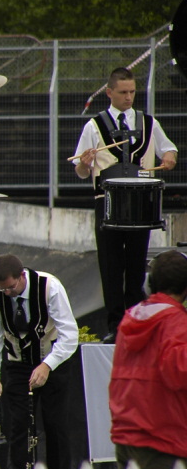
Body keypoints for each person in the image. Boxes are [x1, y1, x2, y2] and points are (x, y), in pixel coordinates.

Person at [74, 67, 177, 343]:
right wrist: (84, 164)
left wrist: (169, 157)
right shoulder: (94, 126)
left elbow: (169, 148)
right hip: (106, 204)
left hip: (140, 204)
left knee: (135, 267)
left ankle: (135, 324)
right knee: (110, 267)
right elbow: (81, 171)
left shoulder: (148, 123)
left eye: (132, 92)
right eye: (123, 92)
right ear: (109, 92)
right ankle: (115, 326)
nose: (129, 97)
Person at [0, 254, 78, 469]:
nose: (8, 293)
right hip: (19, 364)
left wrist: (47, 365)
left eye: (12, 287)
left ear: (22, 276)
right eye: (3, 289)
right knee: (18, 426)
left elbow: (70, 335)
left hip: (54, 359)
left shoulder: (49, 286)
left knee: (55, 425)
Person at [109, 250, 187, 469]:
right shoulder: (175, 322)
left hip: (126, 435)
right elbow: (178, 371)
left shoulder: (131, 318)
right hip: (162, 439)